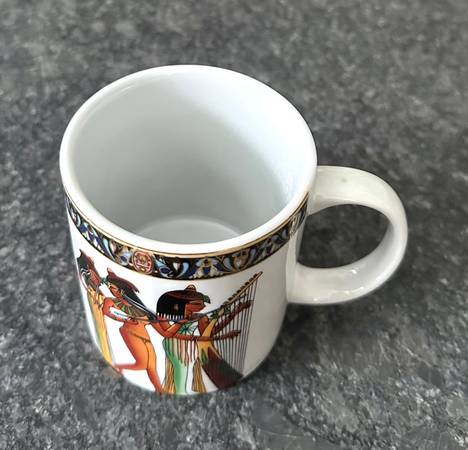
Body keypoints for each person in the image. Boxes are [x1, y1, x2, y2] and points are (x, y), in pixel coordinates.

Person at [101, 269, 162, 393]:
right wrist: (124, 319)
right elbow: (106, 312)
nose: (111, 290)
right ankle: (117, 367)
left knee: (151, 367)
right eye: (109, 287)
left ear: (122, 290)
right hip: (131, 333)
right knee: (142, 364)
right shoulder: (111, 301)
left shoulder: (136, 306)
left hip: (145, 337)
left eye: (113, 288)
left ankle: (160, 390)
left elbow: (148, 321)